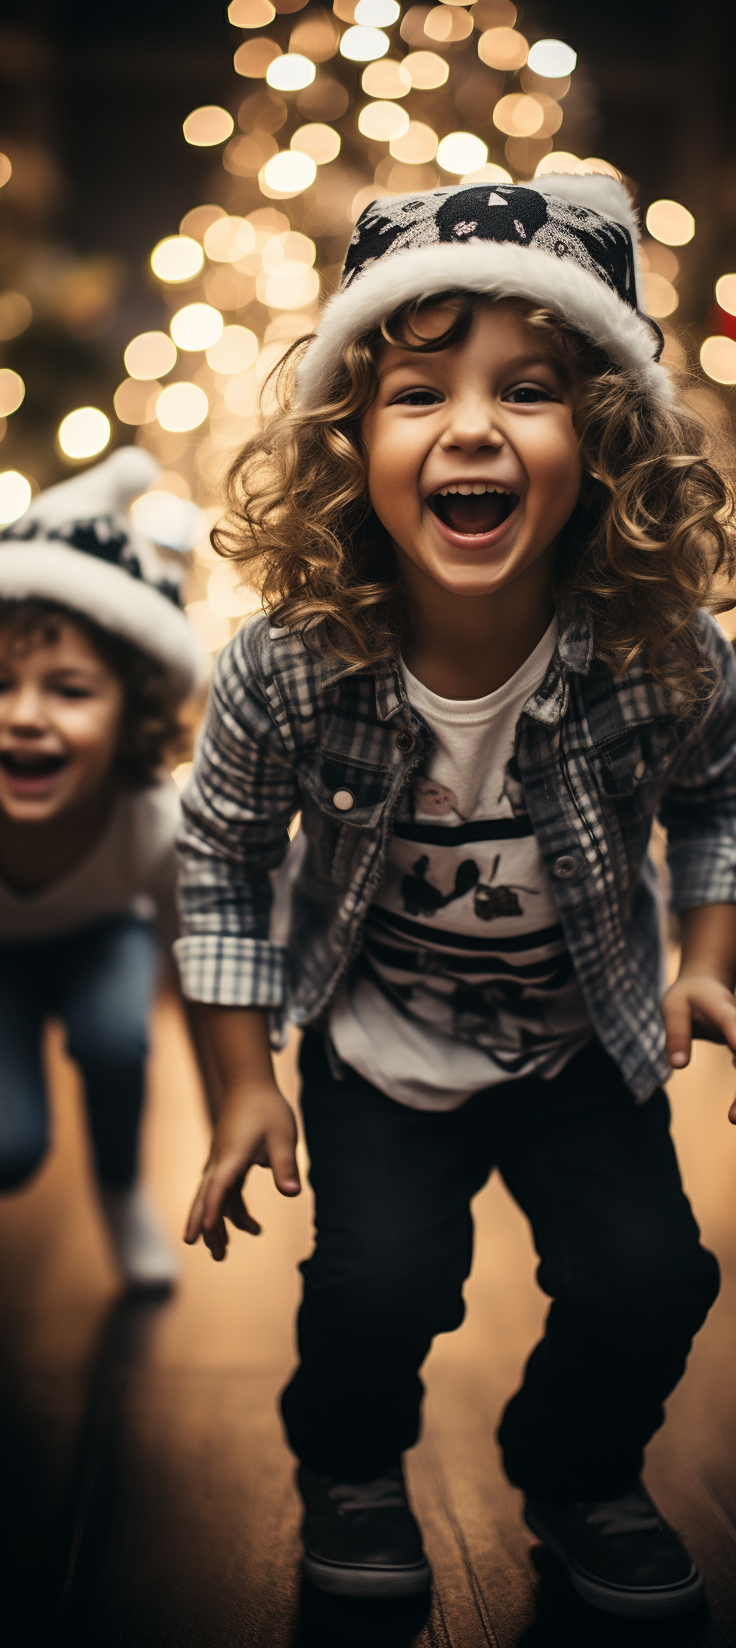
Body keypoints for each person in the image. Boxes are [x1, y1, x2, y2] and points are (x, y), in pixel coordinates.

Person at [176, 175, 736, 1618]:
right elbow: (224, 861)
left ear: (604, 444)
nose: (473, 427)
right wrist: (244, 1084)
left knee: (651, 1285)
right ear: (352, 444)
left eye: (530, 391)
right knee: (375, 1294)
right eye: (419, 392)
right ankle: (352, 1467)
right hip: (379, 1046)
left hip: (580, 1046)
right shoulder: (288, 668)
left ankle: (578, 1470)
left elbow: (716, 794)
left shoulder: (659, 653)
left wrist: (709, 954)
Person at [0, 447, 203, 1291]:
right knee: (10, 1152)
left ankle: (122, 1193)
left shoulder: (154, 822)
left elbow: (198, 970)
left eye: (70, 690)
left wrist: (231, 1108)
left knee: (118, 1041)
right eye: (0, 683)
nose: (24, 718)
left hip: (103, 935)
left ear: (134, 715)